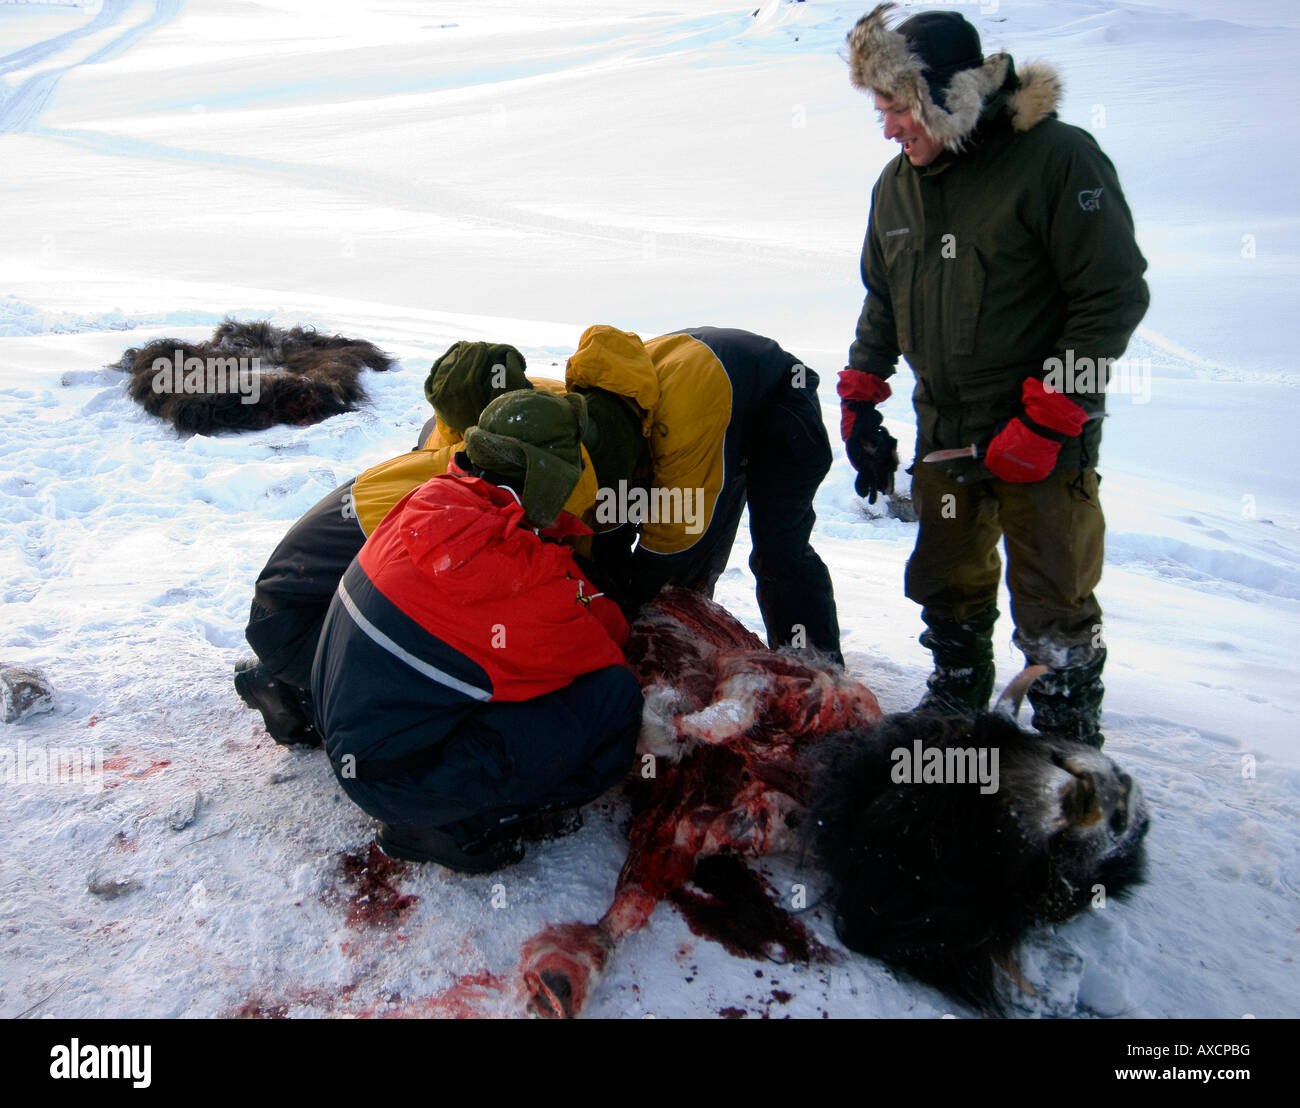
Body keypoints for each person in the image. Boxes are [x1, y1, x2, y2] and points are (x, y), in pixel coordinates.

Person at [840, 5, 1149, 746]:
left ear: (946, 97)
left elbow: (1113, 293)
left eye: (895, 107)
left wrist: (1052, 415)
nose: (887, 128)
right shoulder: (898, 185)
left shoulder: (1057, 161)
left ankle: (1070, 746)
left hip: (1043, 436)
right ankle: (956, 704)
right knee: (948, 578)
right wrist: (861, 389)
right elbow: (884, 296)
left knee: (1053, 596)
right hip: (947, 431)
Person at [311, 390, 642, 872]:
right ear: (547, 475)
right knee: (613, 698)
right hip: (391, 781)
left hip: (352, 734)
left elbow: (524, 578)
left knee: (493, 669)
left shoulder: (434, 500)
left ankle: (434, 787)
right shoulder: (501, 570)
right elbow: (603, 650)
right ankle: (449, 823)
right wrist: (595, 610)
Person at [234, 340, 597, 746]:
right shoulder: (465, 484)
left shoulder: (459, 449)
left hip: (292, 595)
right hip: (294, 621)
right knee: (429, 661)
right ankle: (299, 694)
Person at [566, 325, 843, 665]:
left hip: (780, 404)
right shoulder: (585, 410)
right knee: (682, 559)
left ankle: (815, 671)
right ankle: (684, 650)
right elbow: (606, 509)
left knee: (778, 548)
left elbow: (676, 531)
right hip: (721, 404)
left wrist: (631, 600)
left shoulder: (682, 416)